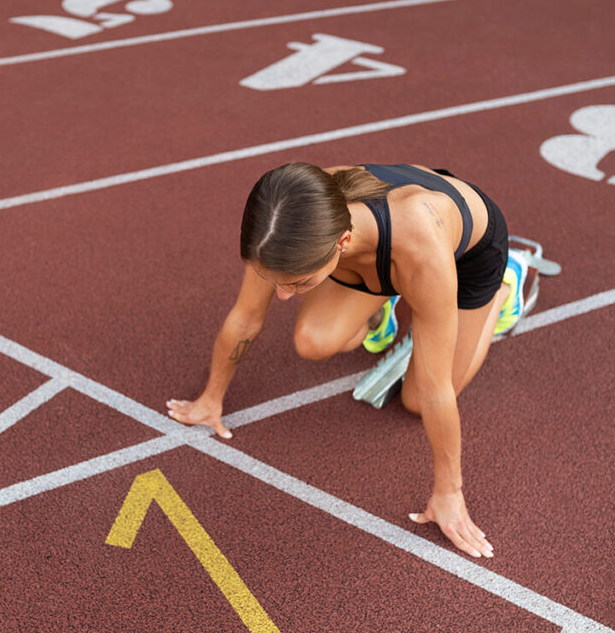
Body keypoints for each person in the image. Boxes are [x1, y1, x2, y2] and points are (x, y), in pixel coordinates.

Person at [167, 162, 524, 559]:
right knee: (311, 340)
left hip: (465, 254)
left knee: (417, 400)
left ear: (342, 241)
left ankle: (507, 286)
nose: (283, 296)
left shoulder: (420, 249)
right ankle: (380, 307)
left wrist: (449, 493)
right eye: (277, 281)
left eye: (298, 282)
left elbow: (438, 390)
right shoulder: (282, 224)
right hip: (378, 251)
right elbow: (247, 316)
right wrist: (211, 397)